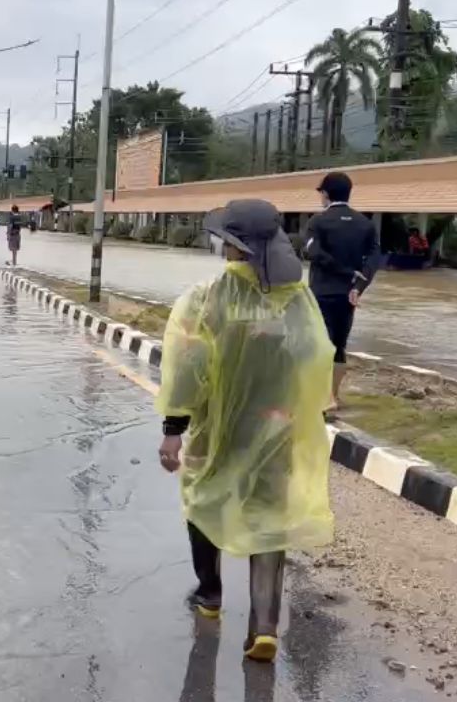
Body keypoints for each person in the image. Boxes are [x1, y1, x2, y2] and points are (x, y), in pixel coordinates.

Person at [156, 199, 334, 664]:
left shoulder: (207, 297)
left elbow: (186, 367)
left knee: (203, 500)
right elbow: (316, 354)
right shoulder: (298, 298)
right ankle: (265, 625)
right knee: (270, 515)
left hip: (218, 428)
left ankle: (211, 595)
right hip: (276, 427)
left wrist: (174, 428)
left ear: (233, 246)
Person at [305, 171, 378, 410]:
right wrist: (358, 286)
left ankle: (319, 397)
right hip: (349, 295)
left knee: (319, 344)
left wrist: (344, 271)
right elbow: (374, 259)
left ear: (325, 194)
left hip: (320, 292)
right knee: (339, 346)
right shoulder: (365, 224)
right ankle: (333, 398)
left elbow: (313, 253)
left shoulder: (318, 221)